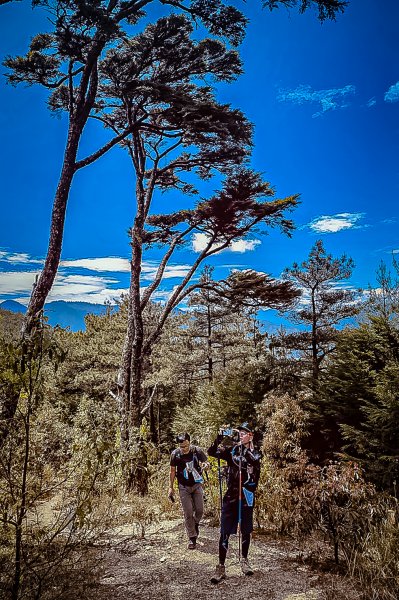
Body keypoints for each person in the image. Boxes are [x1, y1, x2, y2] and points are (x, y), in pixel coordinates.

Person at [208, 422, 262, 583]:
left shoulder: (257, 452)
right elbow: (212, 452)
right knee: (224, 530)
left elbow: (253, 460)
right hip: (231, 495)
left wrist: (243, 447)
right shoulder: (232, 450)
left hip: (247, 494)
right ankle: (221, 566)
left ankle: (244, 560)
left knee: (246, 529)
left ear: (251, 435)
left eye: (244, 433)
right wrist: (220, 437)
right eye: (240, 433)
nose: (240, 435)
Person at [169, 432, 209, 549]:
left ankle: (195, 523)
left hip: (196, 484)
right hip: (183, 486)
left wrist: (206, 466)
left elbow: (206, 462)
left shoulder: (197, 451)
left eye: (186, 446)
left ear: (189, 442)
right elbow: (172, 471)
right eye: (181, 447)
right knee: (188, 512)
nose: (184, 449)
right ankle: (192, 538)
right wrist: (171, 487)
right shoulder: (175, 454)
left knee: (200, 510)